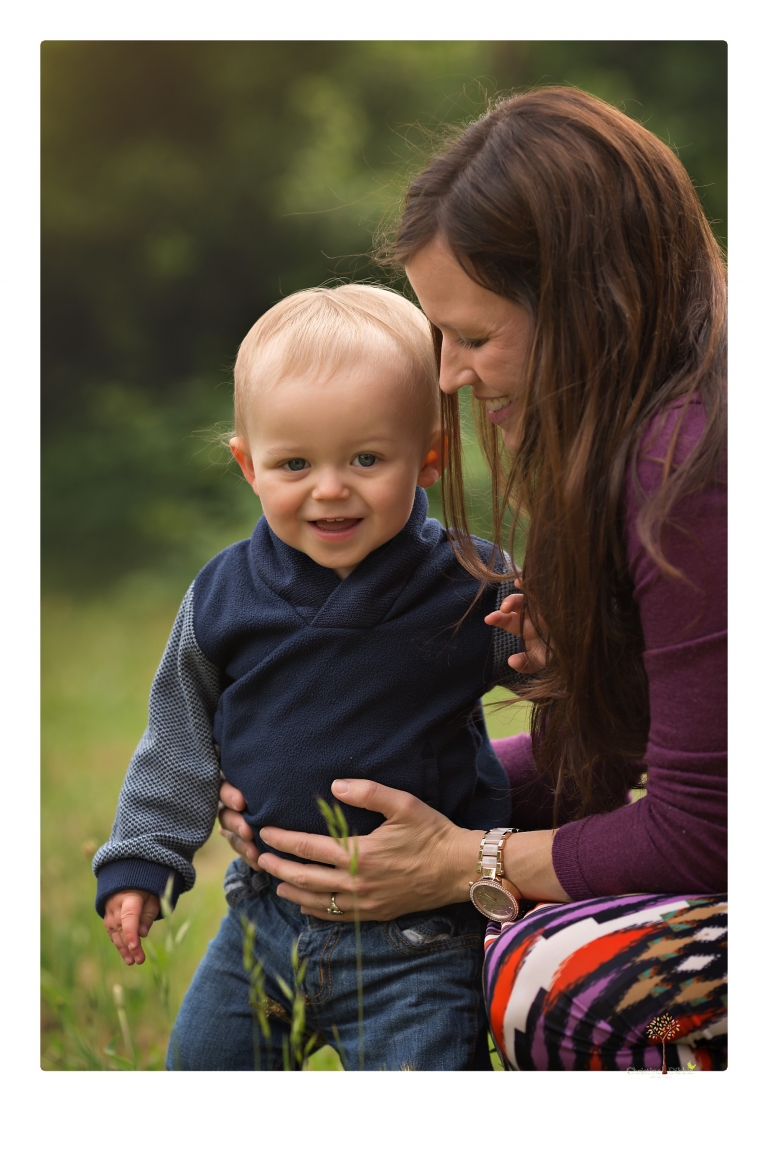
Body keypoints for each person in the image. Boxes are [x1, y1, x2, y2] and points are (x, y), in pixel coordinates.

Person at [218, 87, 727, 1071]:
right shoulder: (657, 436)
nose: (446, 375)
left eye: (474, 335)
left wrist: (466, 860)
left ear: (592, 307)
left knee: (551, 969)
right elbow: (664, 754)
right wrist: (334, 792)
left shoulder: (692, 464)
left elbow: (707, 831)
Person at [93, 283, 529, 1071]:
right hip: (263, 919)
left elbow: (552, 673)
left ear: (428, 456)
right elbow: (179, 734)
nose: (330, 488)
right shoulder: (225, 595)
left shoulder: (472, 580)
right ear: (247, 465)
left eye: (366, 458)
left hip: (420, 939)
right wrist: (143, 857)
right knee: (203, 1073)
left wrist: (542, 653)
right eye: (294, 462)